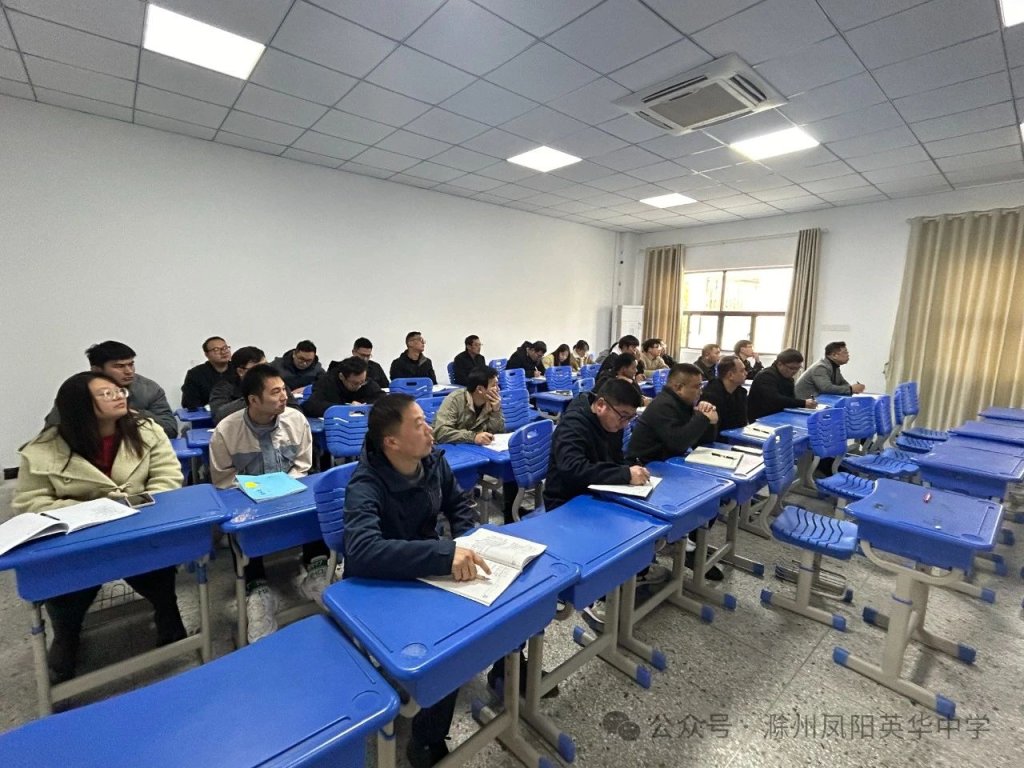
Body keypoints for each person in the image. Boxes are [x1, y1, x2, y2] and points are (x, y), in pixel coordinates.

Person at [16, 372, 186, 682]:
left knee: (158, 571)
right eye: (106, 394)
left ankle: (168, 617)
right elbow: (31, 502)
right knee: (67, 592)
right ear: (79, 405)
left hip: (139, 525)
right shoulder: (44, 449)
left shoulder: (146, 431)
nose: (119, 396)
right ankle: (66, 637)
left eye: (120, 391)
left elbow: (168, 477)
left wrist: (134, 505)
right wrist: (95, 509)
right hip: (76, 536)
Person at [343, 394, 484, 768]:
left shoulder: (433, 461)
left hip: (426, 570)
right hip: (382, 585)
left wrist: (472, 542)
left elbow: (459, 506)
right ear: (391, 441)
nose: (430, 429)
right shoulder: (366, 482)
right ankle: (425, 743)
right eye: (419, 424)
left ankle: (510, 677)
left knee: (500, 609)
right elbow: (363, 551)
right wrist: (443, 554)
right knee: (450, 644)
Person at [209, 364, 323, 642]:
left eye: (284, 390)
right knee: (241, 522)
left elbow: (303, 464)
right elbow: (223, 478)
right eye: (275, 392)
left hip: (291, 490)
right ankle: (256, 587)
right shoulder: (227, 430)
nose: (284, 396)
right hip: (246, 497)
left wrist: (286, 485)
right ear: (253, 400)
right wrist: (256, 491)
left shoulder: (295, 419)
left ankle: (317, 570)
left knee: (318, 507)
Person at [544, 379, 668, 624]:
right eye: (623, 416)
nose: (625, 424)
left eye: (630, 418)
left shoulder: (612, 422)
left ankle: (635, 571)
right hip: (566, 500)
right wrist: (624, 475)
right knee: (615, 531)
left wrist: (631, 470)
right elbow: (573, 469)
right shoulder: (573, 425)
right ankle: (597, 597)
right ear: (601, 405)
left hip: (596, 492)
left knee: (641, 520)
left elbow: (614, 458)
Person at [45, 341, 176, 439]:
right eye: (119, 366)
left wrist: (136, 414)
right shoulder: (76, 390)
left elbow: (170, 430)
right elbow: (52, 430)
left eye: (131, 364)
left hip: (140, 447)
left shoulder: (149, 389)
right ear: (96, 370)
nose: (129, 371)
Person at [626, 363, 717, 464]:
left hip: (666, 460)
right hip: (645, 465)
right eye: (697, 387)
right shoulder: (663, 405)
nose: (701, 392)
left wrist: (708, 419)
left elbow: (702, 442)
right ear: (679, 388)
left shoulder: (683, 403)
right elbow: (679, 443)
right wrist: (703, 418)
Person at [210, 346, 300, 424]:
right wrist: (253, 398)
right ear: (241, 371)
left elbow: (296, 411)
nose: (264, 372)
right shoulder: (223, 387)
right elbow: (219, 416)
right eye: (258, 369)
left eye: (266, 366)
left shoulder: (276, 384)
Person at [747, 348, 817, 421]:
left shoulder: (788, 378)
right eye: (791, 368)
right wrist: (803, 403)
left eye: (798, 368)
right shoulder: (766, 376)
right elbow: (775, 399)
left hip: (779, 414)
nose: (794, 371)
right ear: (779, 364)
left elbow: (790, 399)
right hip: (762, 418)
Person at [303, 356, 384, 417]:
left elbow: (382, 399)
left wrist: (364, 406)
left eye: (362, 382)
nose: (359, 386)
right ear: (341, 377)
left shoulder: (366, 382)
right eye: (355, 383)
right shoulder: (327, 382)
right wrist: (346, 408)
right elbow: (311, 406)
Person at [795, 341, 867, 400]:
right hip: (804, 402)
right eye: (845, 352)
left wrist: (855, 388)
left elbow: (842, 383)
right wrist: (851, 389)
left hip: (818, 400)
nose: (848, 355)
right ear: (834, 355)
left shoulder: (835, 366)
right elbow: (826, 388)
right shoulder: (820, 367)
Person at [699, 355, 749, 439]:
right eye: (742, 371)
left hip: (735, 436)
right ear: (730, 375)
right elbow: (710, 430)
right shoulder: (711, 395)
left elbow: (742, 423)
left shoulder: (741, 392)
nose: (746, 373)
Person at [180, 336, 234, 409]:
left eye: (225, 348)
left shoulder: (238, 369)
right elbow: (189, 403)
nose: (223, 352)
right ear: (206, 354)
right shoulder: (195, 374)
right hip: (207, 414)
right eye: (216, 349)